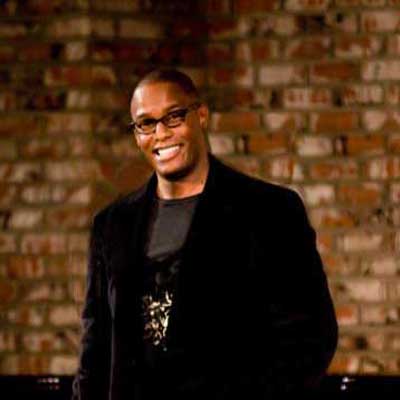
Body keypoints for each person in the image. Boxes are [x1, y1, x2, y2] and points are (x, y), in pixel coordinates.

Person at [71, 68, 338, 400]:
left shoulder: (269, 210)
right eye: (146, 123)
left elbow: (313, 335)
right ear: (137, 134)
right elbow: (95, 347)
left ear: (201, 115)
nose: (160, 134)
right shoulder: (112, 225)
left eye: (173, 117)